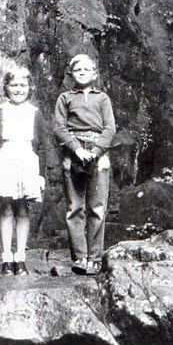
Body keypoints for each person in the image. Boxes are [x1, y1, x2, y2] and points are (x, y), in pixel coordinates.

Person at [52, 54, 116, 275]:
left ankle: (95, 258)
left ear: (94, 73)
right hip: (73, 152)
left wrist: (96, 151)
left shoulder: (103, 99)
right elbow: (59, 127)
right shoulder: (65, 98)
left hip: (99, 153)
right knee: (74, 207)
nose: (81, 73)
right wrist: (77, 149)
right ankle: (79, 257)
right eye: (77, 69)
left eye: (86, 69)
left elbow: (110, 129)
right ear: (71, 73)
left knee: (97, 207)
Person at [0, 66, 45, 275]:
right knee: (6, 208)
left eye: (22, 85)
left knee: (23, 209)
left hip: (27, 160)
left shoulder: (35, 113)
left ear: (29, 87)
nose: (18, 89)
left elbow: (41, 146)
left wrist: (41, 174)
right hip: (5, 160)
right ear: (6, 87)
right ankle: (7, 257)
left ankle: (20, 258)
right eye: (14, 85)